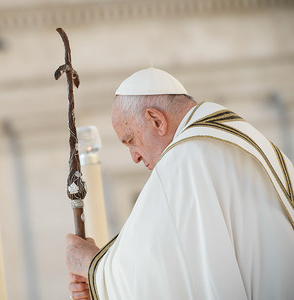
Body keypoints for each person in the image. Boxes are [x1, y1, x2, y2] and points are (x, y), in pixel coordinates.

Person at [66, 67, 294, 300]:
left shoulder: (185, 158)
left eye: (131, 140)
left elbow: (158, 272)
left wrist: (93, 269)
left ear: (156, 121)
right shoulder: (237, 135)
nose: (134, 157)